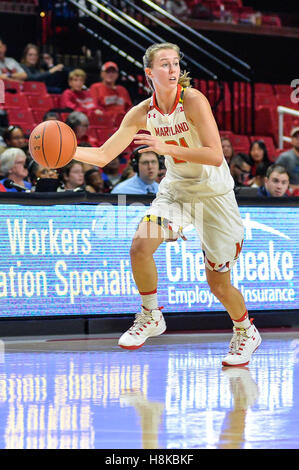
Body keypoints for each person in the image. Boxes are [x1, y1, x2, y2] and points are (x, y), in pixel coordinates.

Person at [73, 42, 261, 366]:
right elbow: (104, 155)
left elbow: (216, 155)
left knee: (218, 284)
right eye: (164, 64)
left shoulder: (193, 101)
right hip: (176, 191)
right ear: (149, 72)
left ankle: (245, 330)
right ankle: (150, 314)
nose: (173, 70)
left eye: (175, 63)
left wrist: (164, 147)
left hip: (214, 194)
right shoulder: (142, 112)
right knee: (139, 246)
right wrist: (67, 151)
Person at [276, 127, 299, 194]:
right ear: (291, 140)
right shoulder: (284, 157)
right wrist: (289, 186)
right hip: (288, 193)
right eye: (296, 137)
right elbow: (275, 176)